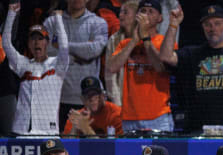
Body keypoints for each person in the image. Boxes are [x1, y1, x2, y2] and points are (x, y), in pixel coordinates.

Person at [159, 5, 223, 136]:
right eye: (207, 24)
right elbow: (165, 56)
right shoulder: (192, 54)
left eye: (217, 24)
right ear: (203, 28)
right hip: (197, 130)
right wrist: (173, 25)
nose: (212, 28)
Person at [107, 0, 174, 132]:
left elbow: (160, 68)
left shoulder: (164, 42)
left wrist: (146, 40)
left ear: (160, 18)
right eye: (143, 11)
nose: (146, 15)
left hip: (158, 116)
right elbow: (111, 67)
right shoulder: (124, 43)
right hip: (129, 117)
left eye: (151, 12)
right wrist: (134, 41)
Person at [3, 4, 68, 135]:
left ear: (47, 43)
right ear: (28, 44)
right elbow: (6, 44)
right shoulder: (23, 65)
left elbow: (64, 48)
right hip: (21, 130)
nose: (36, 42)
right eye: (32, 39)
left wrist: (58, 20)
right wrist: (11, 14)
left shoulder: (57, 65)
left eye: (40, 38)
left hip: (48, 131)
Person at [44, 0, 108, 132]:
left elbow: (94, 50)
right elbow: (46, 52)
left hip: (89, 99)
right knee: (61, 146)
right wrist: (80, 52)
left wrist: (63, 47)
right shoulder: (51, 22)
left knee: (91, 146)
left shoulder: (98, 23)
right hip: (58, 98)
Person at [104, 0, 139, 107]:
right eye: (120, 12)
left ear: (136, 16)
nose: (120, 15)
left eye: (125, 12)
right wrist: (118, 104)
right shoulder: (114, 40)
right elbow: (110, 76)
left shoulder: (148, 39)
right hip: (121, 103)